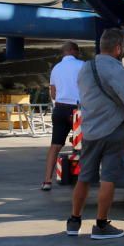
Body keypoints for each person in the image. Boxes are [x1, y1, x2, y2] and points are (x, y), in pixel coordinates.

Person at [66, 28, 124, 240]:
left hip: (90, 130)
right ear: (119, 48)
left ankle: (74, 221)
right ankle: (101, 225)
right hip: (113, 130)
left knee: (84, 177)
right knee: (107, 178)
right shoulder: (116, 69)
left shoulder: (86, 68)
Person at [41, 41, 84, 190]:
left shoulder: (56, 68)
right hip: (77, 110)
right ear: (74, 51)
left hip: (59, 109)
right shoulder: (82, 65)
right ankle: (83, 180)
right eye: (78, 51)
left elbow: (53, 93)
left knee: (55, 146)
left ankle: (47, 181)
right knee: (84, 146)